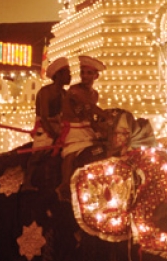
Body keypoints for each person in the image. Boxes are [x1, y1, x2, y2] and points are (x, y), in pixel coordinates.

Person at [56, 55, 106, 201]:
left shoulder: (94, 94)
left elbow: (89, 114)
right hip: (73, 128)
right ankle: (64, 185)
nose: (84, 76)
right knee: (70, 153)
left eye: (88, 73)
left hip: (87, 128)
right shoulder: (74, 90)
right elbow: (89, 107)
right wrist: (107, 116)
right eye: (83, 72)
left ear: (96, 76)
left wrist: (99, 127)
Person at [22, 57, 71, 191]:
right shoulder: (45, 92)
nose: (70, 76)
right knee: (40, 150)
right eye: (67, 73)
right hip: (44, 127)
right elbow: (44, 117)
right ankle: (27, 181)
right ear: (59, 75)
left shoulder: (64, 93)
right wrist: (55, 135)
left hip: (59, 127)